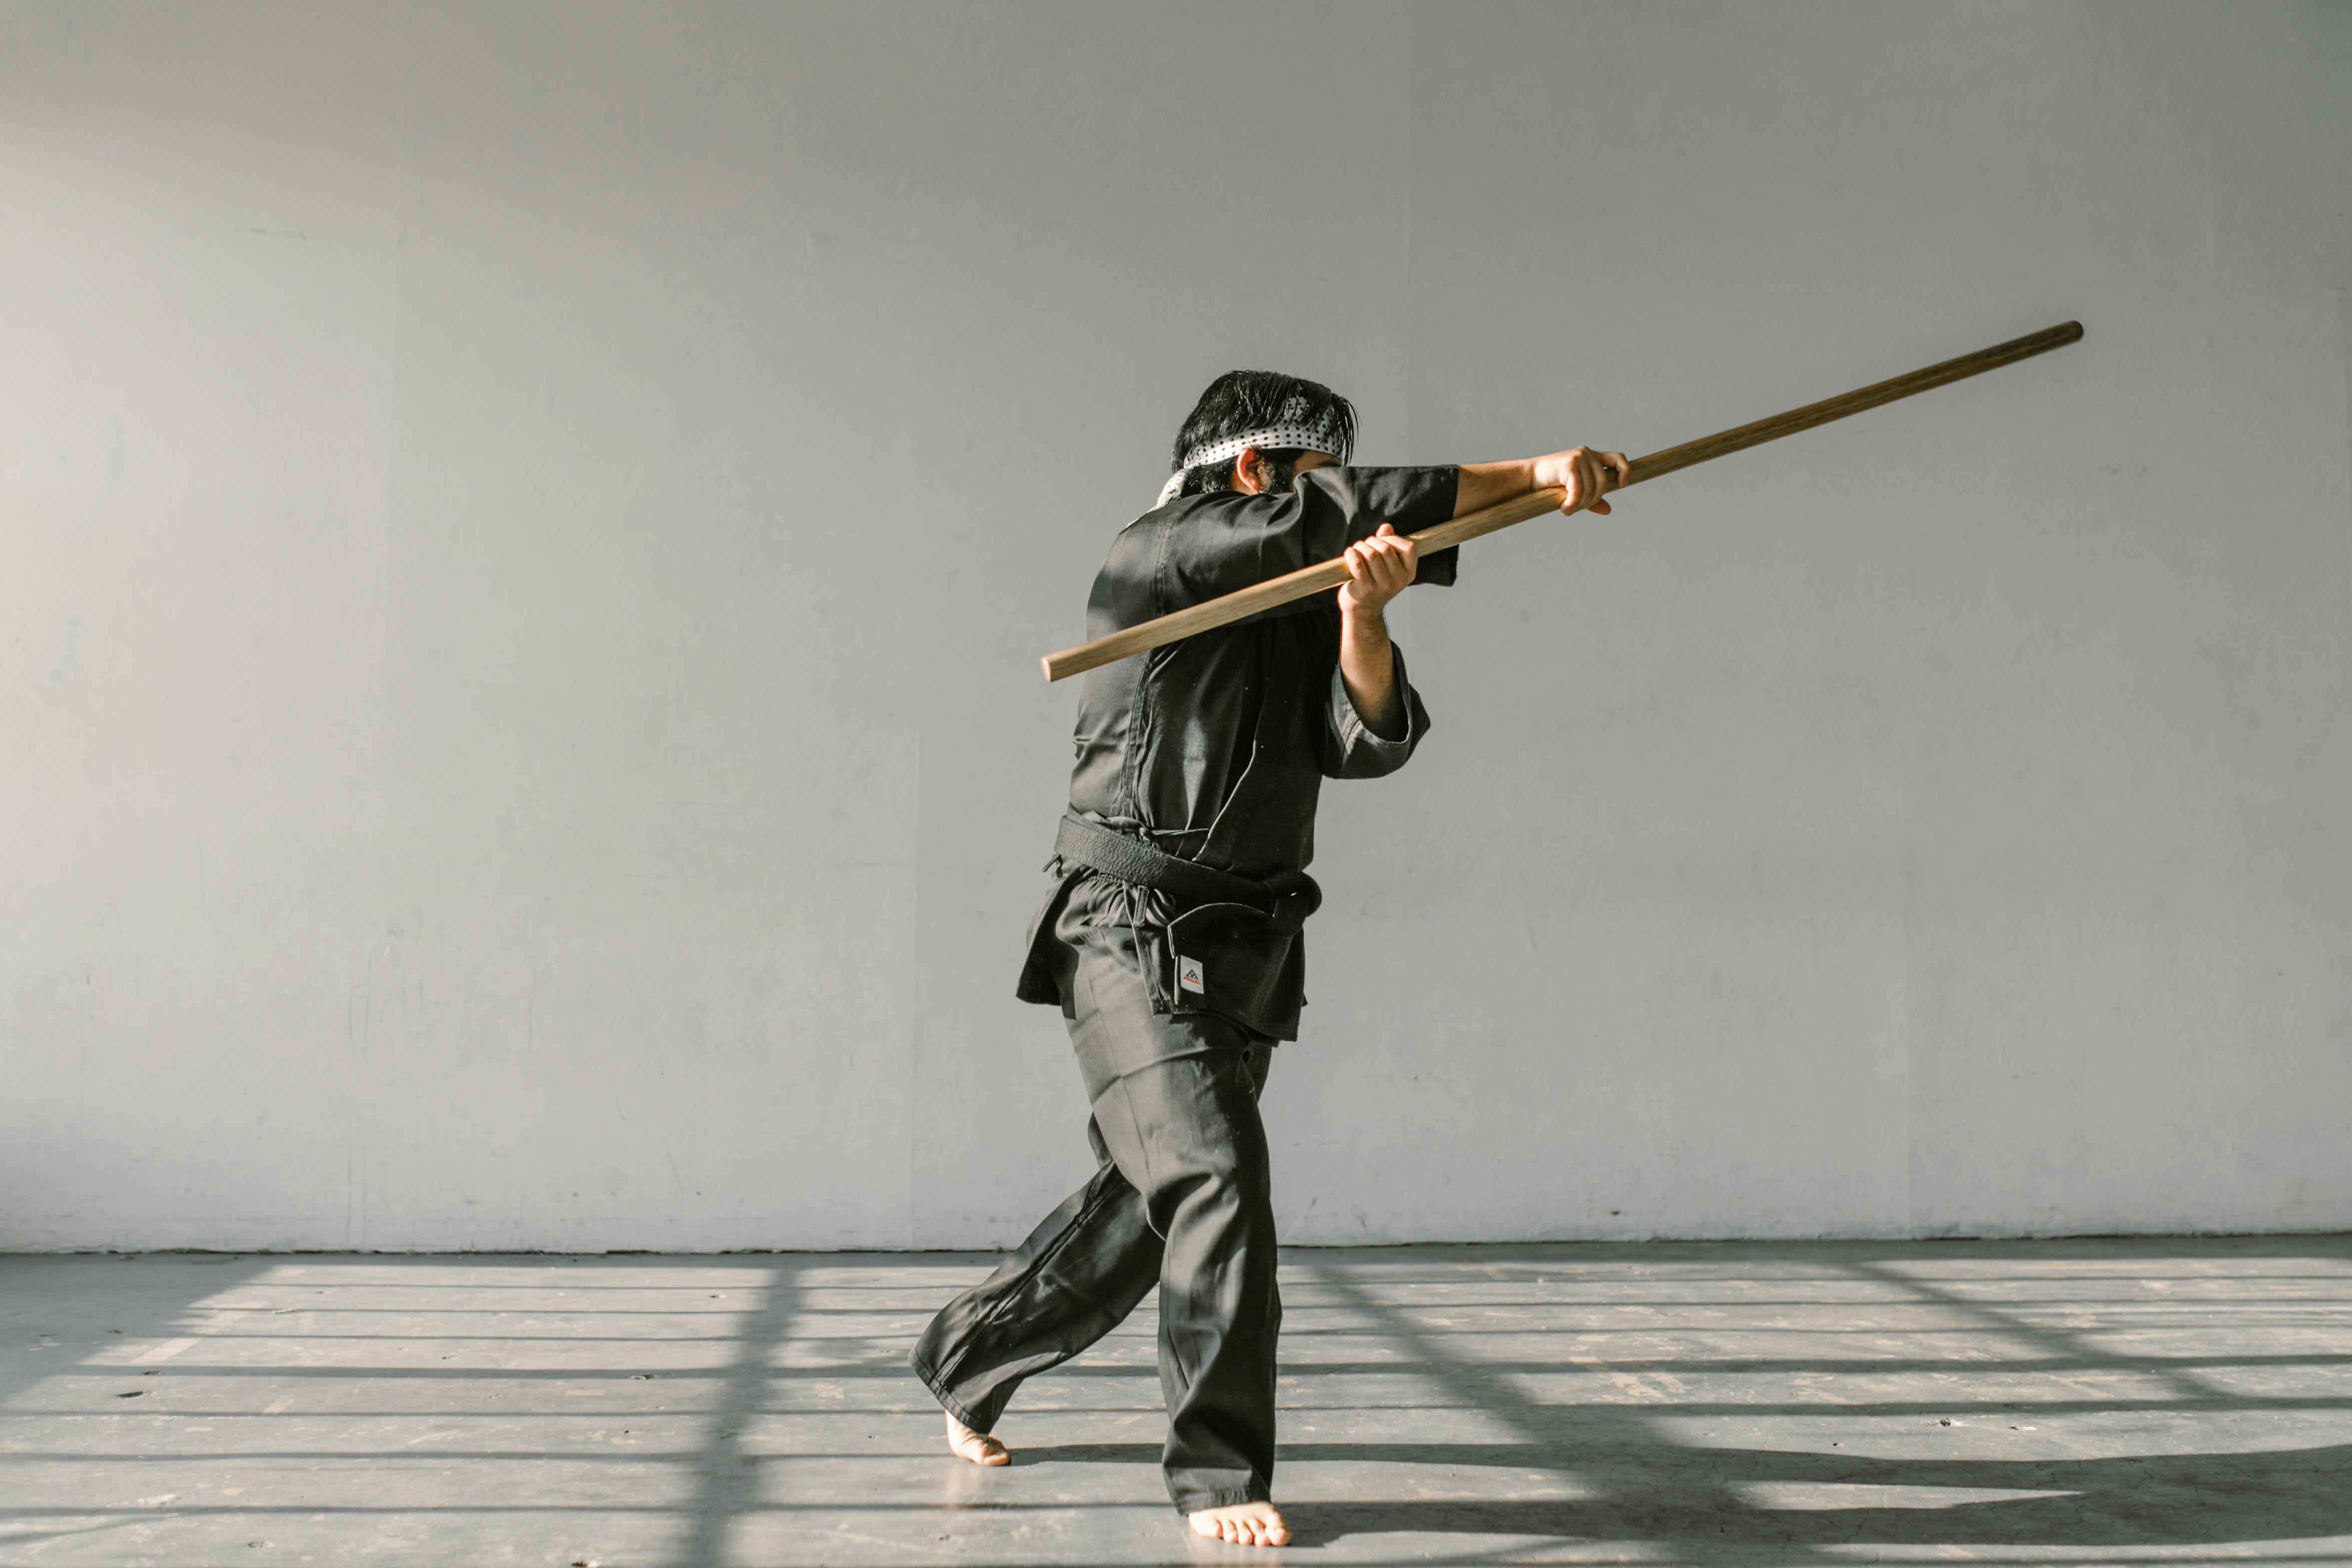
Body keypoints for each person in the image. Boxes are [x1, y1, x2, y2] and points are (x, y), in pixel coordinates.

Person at [910, 370, 1627, 1548]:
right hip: (1126, 924)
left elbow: (1366, 742)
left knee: (1149, 1204)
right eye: (1311, 484)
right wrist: (1537, 472)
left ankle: (966, 1350)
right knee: (1218, 1181)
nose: (1331, 509)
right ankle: (1216, 1474)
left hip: (1245, 942)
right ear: (1251, 474)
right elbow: (1336, 514)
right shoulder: (1160, 554)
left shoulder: (1297, 596)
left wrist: (1361, 615)